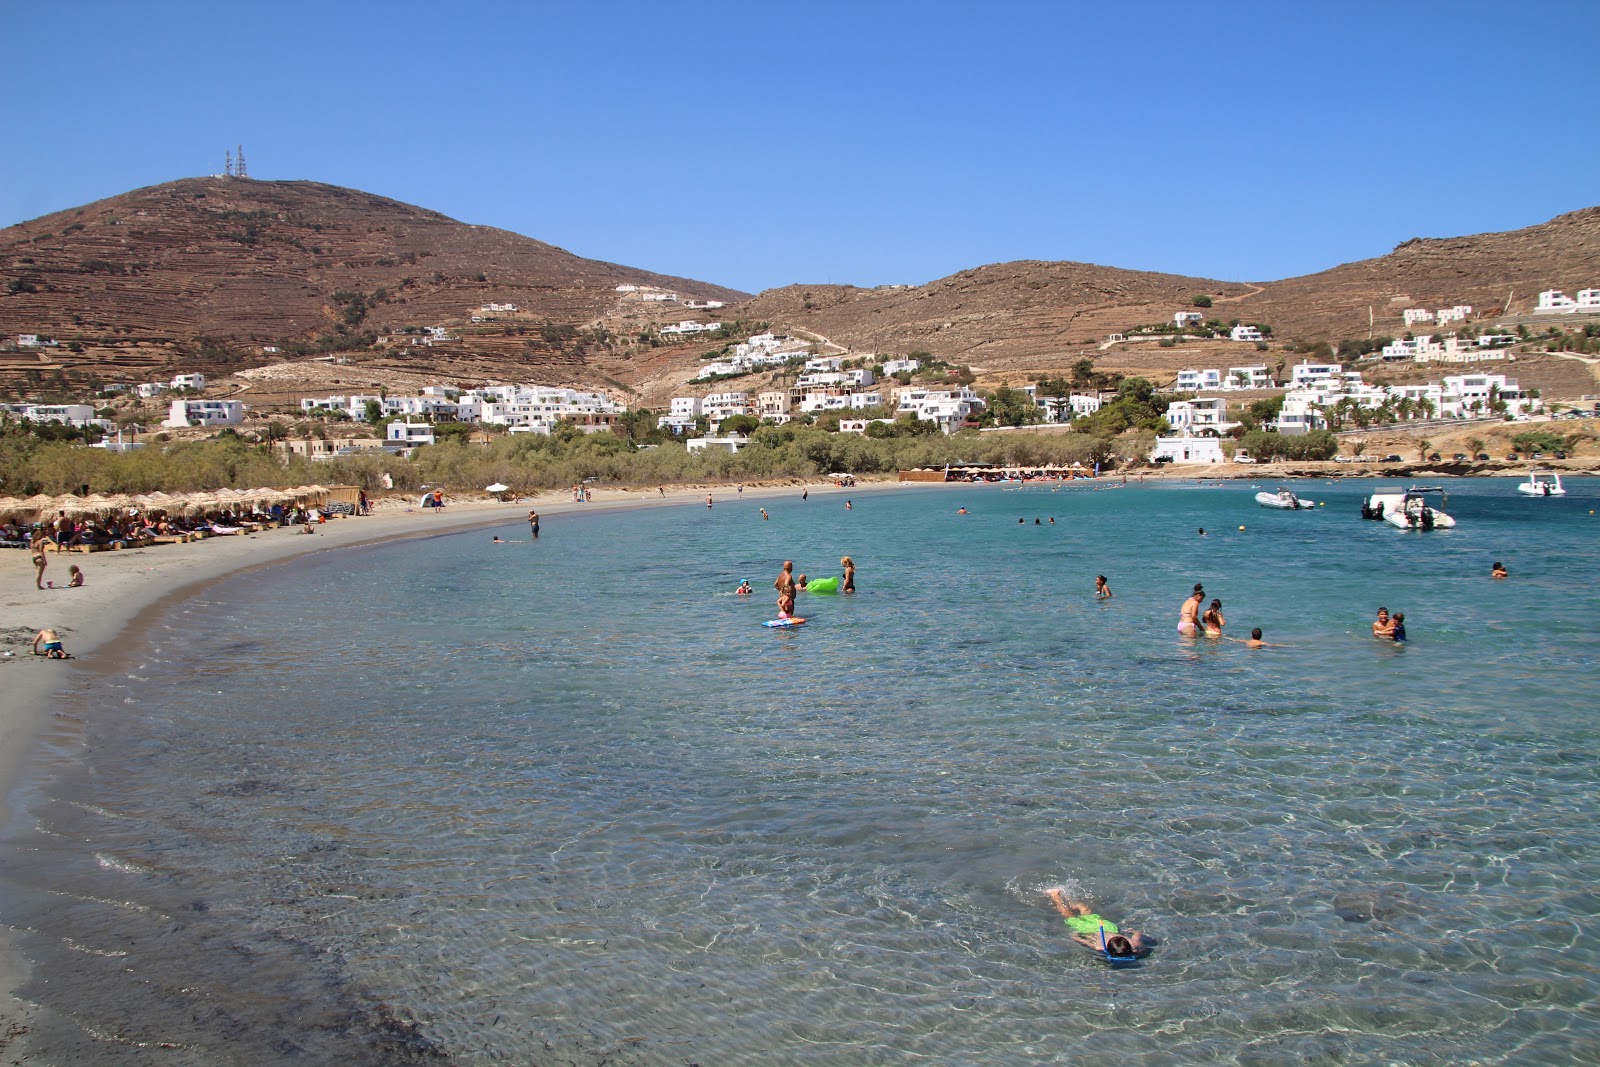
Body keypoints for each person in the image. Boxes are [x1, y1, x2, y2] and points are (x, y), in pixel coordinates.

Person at [1045, 888, 1151, 959]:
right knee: (1069, 916)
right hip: (1091, 930)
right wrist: (1076, 937)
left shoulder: (1134, 944)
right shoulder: (1100, 947)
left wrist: (1134, 931)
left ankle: (1078, 905)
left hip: (1108, 927)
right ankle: (1054, 895)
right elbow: (1083, 941)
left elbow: (1138, 934)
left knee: (1089, 916)